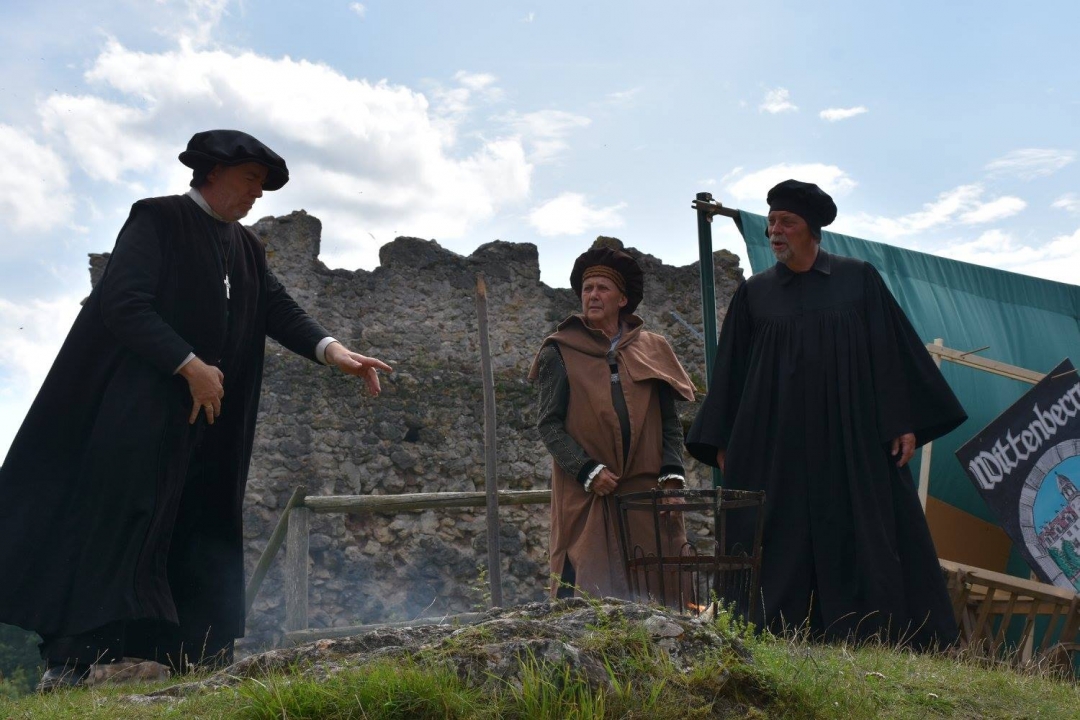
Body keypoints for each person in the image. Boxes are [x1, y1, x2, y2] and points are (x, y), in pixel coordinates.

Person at [0, 129, 393, 690]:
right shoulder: (158, 219)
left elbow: (277, 308)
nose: (257, 194)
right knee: (119, 527)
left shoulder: (246, 246)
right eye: (250, 180)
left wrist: (335, 352)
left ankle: (200, 656)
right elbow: (124, 302)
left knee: (200, 530)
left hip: (209, 428)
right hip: (140, 415)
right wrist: (189, 365)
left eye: (263, 185)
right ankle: (72, 661)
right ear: (213, 172)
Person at [685, 179, 967, 649]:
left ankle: (873, 632)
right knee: (776, 532)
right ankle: (774, 630)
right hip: (777, 443)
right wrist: (722, 439)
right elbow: (733, 370)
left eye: (786, 222)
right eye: (771, 222)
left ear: (812, 230)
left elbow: (889, 352)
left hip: (849, 438)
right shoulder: (755, 294)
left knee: (861, 529)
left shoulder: (858, 280)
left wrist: (901, 421)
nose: (775, 231)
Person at [528, 242, 696, 603]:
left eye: (602, 288)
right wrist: (587, 470)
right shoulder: (559, 350)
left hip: (645, 490)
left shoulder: (653, 348)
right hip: (589, 493)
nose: (592, 295)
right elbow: (548, 424)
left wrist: (672, 476)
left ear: (622, 299)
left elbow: (669, 422)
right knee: (589, 593)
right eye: (587, 288)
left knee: (661, 590)